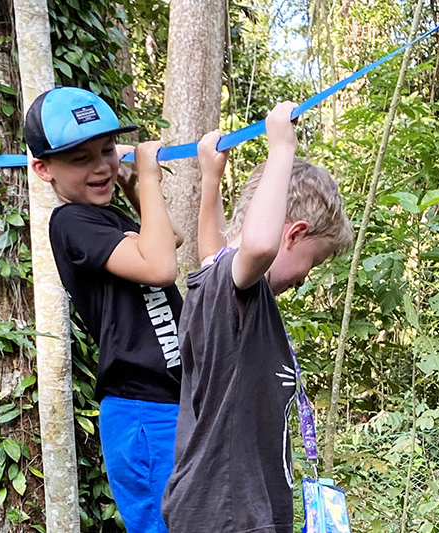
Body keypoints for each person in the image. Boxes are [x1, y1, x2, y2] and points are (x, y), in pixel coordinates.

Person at [161, 102, 354, 533]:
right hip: (226, 516)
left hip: (231, 513)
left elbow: (214, 251)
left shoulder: (224, 286)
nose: (305, 279)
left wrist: (211, 180)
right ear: (295, 233)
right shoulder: (237, 287)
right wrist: (281, 147)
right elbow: (258, 247)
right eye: (313, 262)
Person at [27, 86, 182, 533]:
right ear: (43, 168)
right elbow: (159, 267)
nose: (101, 166)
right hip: (142, 409)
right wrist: (150, 179)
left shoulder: (108, 218)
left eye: (108, 150)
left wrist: (135, 189)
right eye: (80, 159)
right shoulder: (72, 222)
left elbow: (168, 241)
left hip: (169, 402)